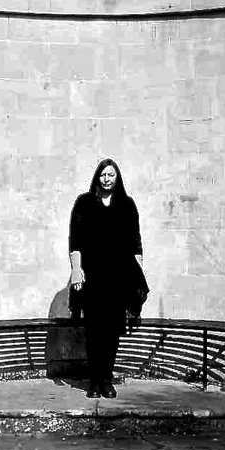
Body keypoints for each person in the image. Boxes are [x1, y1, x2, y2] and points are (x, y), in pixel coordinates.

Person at [68, 158, 145, 399]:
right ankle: (93, 381)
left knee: (111, 332)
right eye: (103, 174)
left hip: (118, 278)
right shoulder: (84, 203)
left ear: (117, 177)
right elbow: (75, 239)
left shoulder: (127, 205)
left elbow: (135, 242)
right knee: (94, 331)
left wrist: (137, 276)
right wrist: (76, 269)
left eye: (111, 174)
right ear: (97, 176)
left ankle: (106, 380)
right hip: (92, 278)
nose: (107, 178)